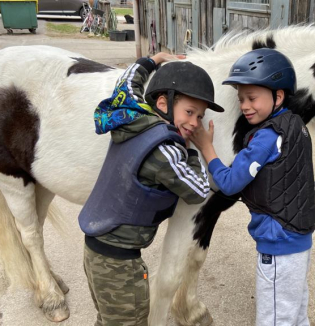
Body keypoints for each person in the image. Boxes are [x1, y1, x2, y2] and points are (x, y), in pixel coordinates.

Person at [78, 52, 224, 326]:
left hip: (95, 250)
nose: (195, 123)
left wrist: (152, 60)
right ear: (163, 103)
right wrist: (200, 150)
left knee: (110, 320)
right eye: (189, 112)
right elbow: (198, 191)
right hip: (120, 264)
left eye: (200, 117)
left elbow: (127, 83)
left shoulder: (130, 115)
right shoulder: (166, 151)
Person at [189, 48, 315, 326]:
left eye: (251, 98)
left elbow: (230, 183)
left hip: (278, 245)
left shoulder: (266, 138)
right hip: (300, 240)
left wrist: (207, 148)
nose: (244, 106)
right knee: (296, 312)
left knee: (274, 319)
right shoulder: (295, 125)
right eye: (240, 99)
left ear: (278, 96)